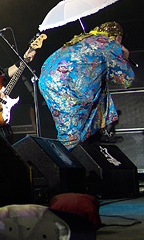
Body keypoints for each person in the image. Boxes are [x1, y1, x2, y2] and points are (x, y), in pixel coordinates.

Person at [38, 21, 135, 150]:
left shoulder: (84, 38)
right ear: (117, 37)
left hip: (47, 80)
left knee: (70, 128)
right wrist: (125, 57)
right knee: (71, 135)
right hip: (65, 85)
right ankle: (63, 164)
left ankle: (91, 141)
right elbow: (126, 80)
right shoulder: (109, 44)